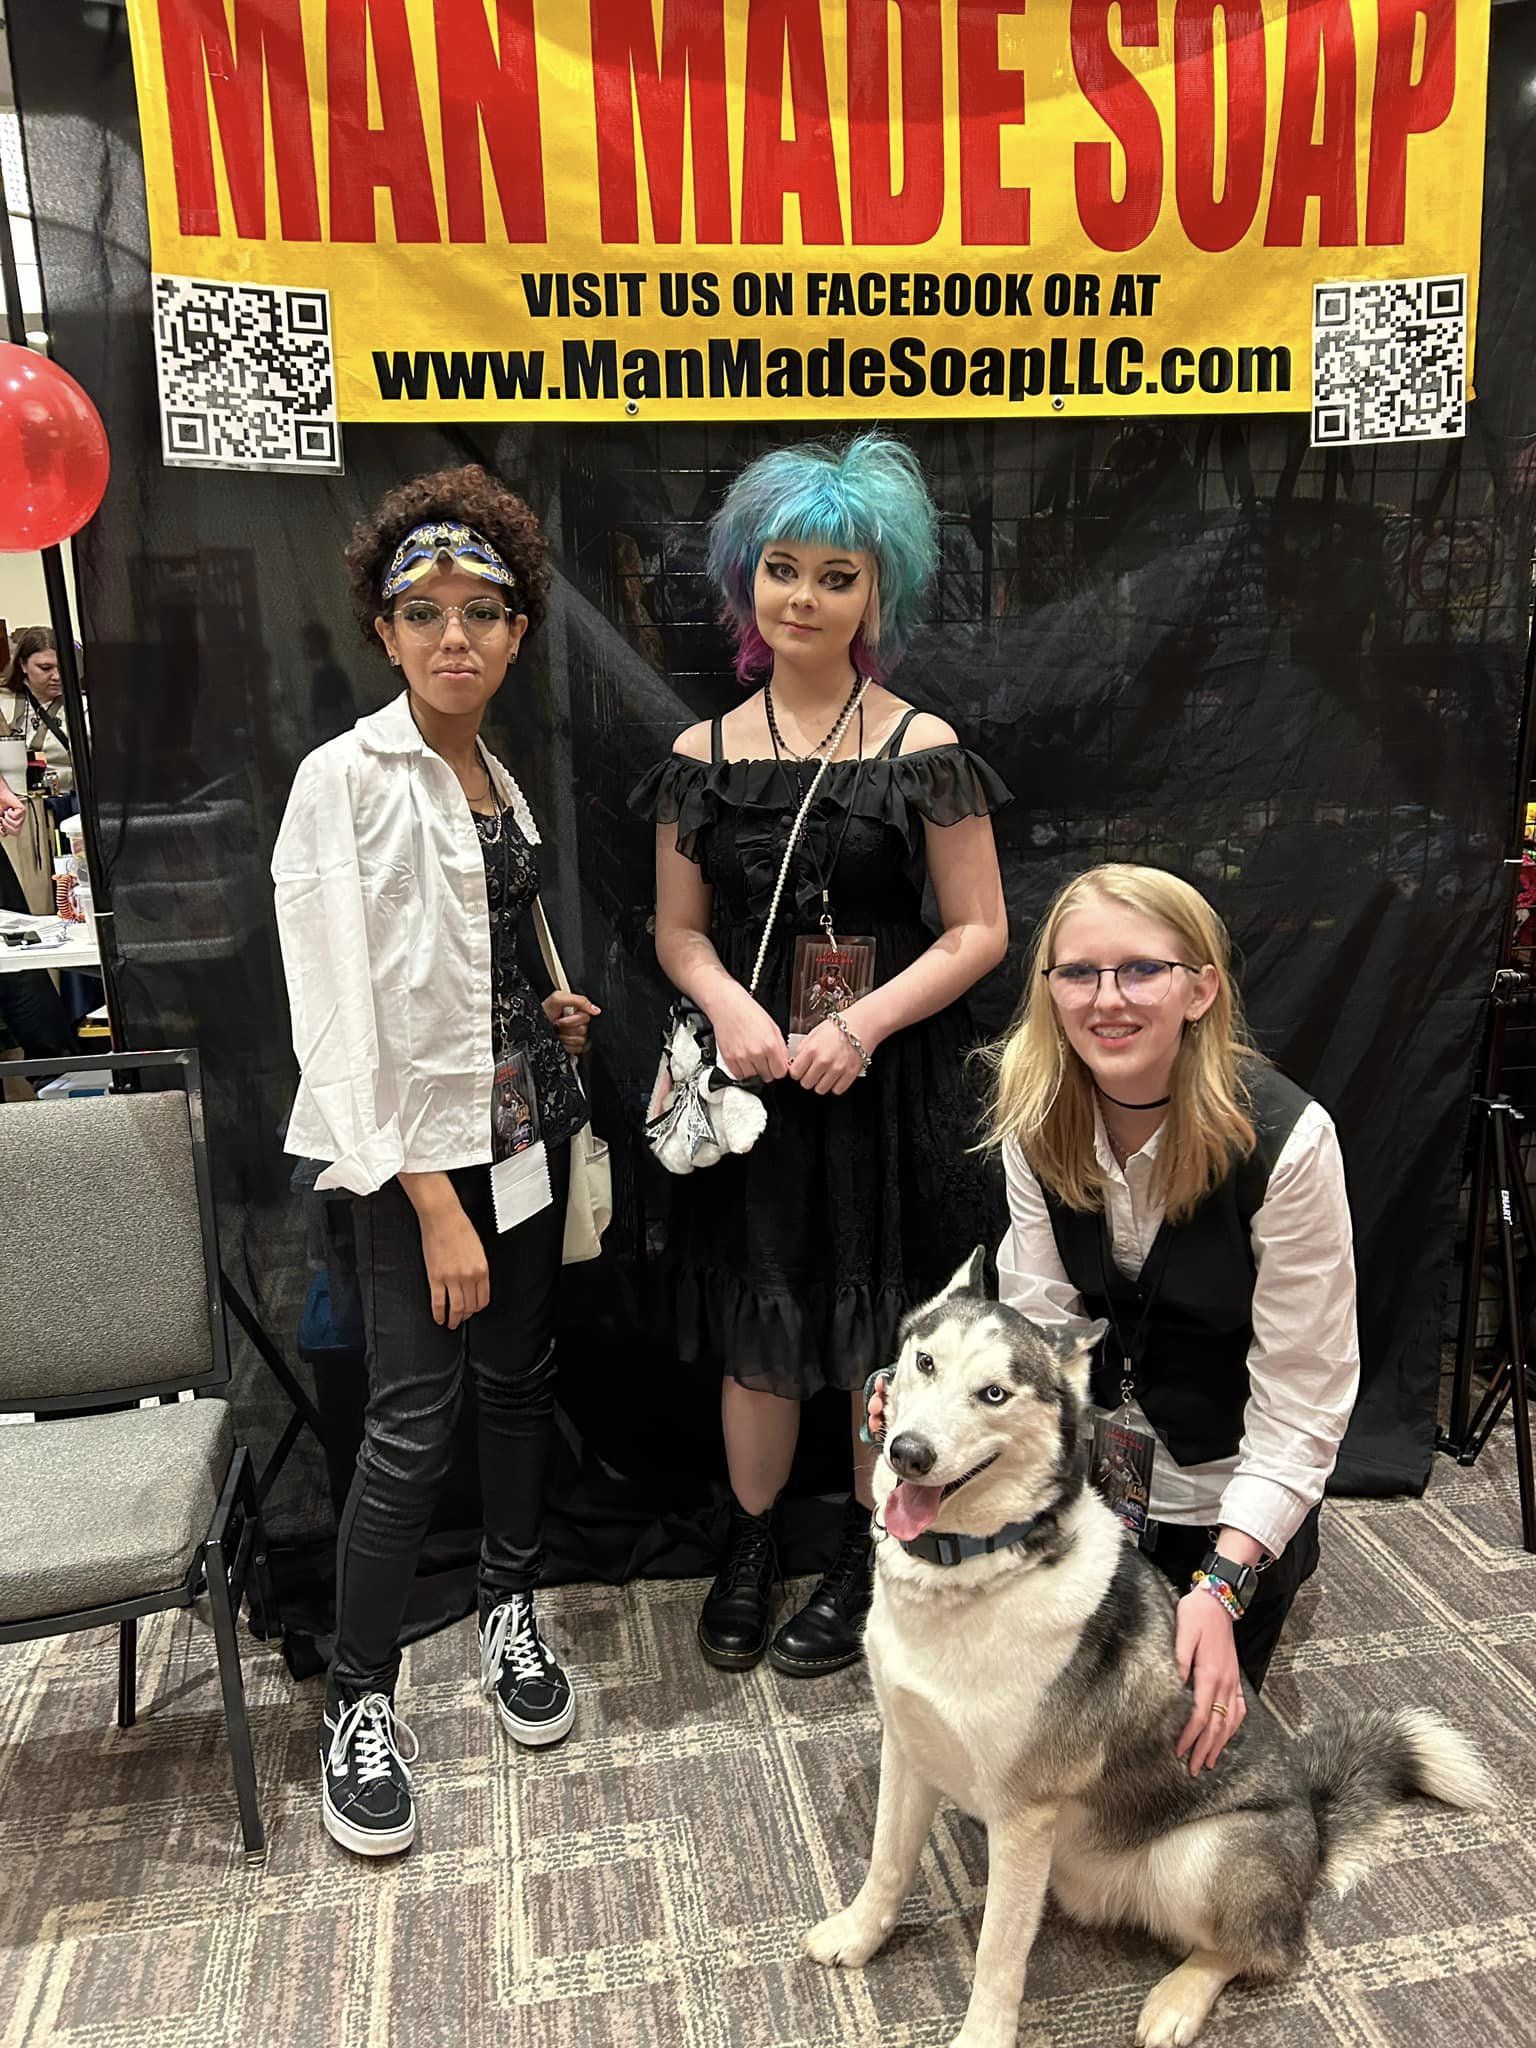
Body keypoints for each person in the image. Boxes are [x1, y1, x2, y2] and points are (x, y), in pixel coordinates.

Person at [633, 434, 1010, 1679]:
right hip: (754, 1093)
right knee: (762, 1320)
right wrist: (728, 1007)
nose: (803, 596)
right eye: (782, 568)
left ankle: (864, 1549)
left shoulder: (923, 744)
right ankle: (750, 1545)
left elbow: (981, 929)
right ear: (746, 580)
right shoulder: (701, 757)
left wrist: (861, 1023)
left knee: (877, 1329)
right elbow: (677, 932)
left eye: (836, 575)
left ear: (876, 590)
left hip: (885, 1085)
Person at [272, 465, 602, 1859]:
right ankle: (360, 1699)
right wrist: (426, 1200)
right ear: (386, 628)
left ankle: (508, 1604)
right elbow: (338, 1015)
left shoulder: (497, 777)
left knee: (519, 1384)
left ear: (518, 631)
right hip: (420, 1162)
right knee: (413, 1422)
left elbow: (468, 951)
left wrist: (544, 1003)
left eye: (482, 611)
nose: (453, 634)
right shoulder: (343, 782)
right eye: (425, 612)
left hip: (521, 1124)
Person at [986, 863, 1359, 1767]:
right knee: (1054, 1742)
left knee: (1176, 1767)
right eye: (1079, 973)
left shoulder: (1289, 1142)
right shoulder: (1035, 1121)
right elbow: (1040, 1336)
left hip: (1228, 1495)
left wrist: (1221, 1584)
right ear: (1050, 991)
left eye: (1142, 970)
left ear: (1200, 990)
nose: (1107, 999)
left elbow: (1303, 1402)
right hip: (1097, 1481)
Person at [2, 629, 73, 792]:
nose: (56, 676)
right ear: (23, 665)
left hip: (71, 799)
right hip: (15, 799)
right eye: (45, 668)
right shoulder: (3, 704)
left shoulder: (86, 707)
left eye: (61, 667)